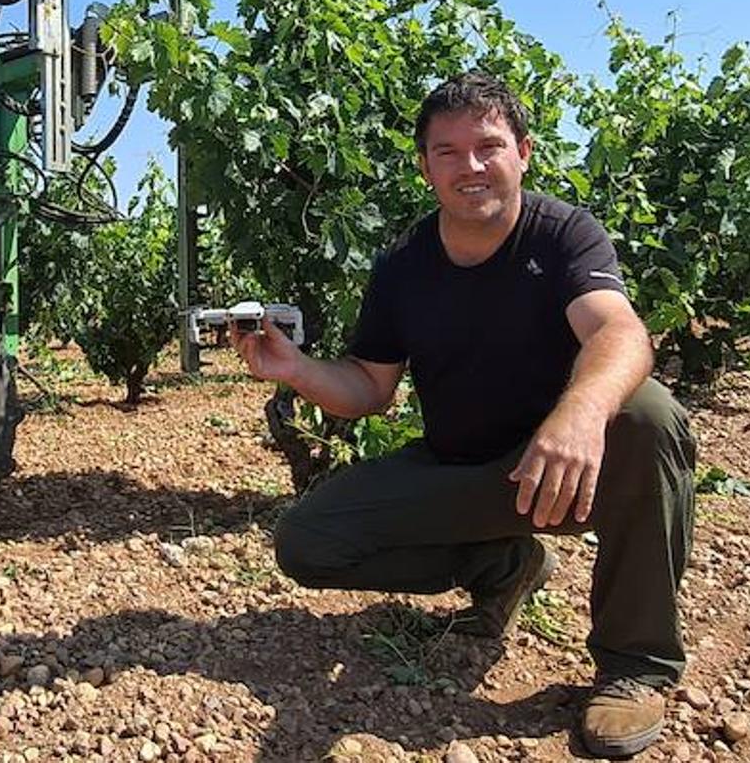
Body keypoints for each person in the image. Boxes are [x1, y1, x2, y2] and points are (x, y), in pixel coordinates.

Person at [230, 71, 696, 758]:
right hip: (464, 471)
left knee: (648, 416)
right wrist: (297, 370)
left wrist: (579, 414)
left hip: (568, 469)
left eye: (488, 146)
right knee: (307, 541)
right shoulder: (403, 266)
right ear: (425, 168)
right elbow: (369, 388)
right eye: (446, 152)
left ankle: (634, 666)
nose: (470, 166)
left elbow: (620, 333)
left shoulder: (563, 235)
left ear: (523, 153)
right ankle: (503, 566)